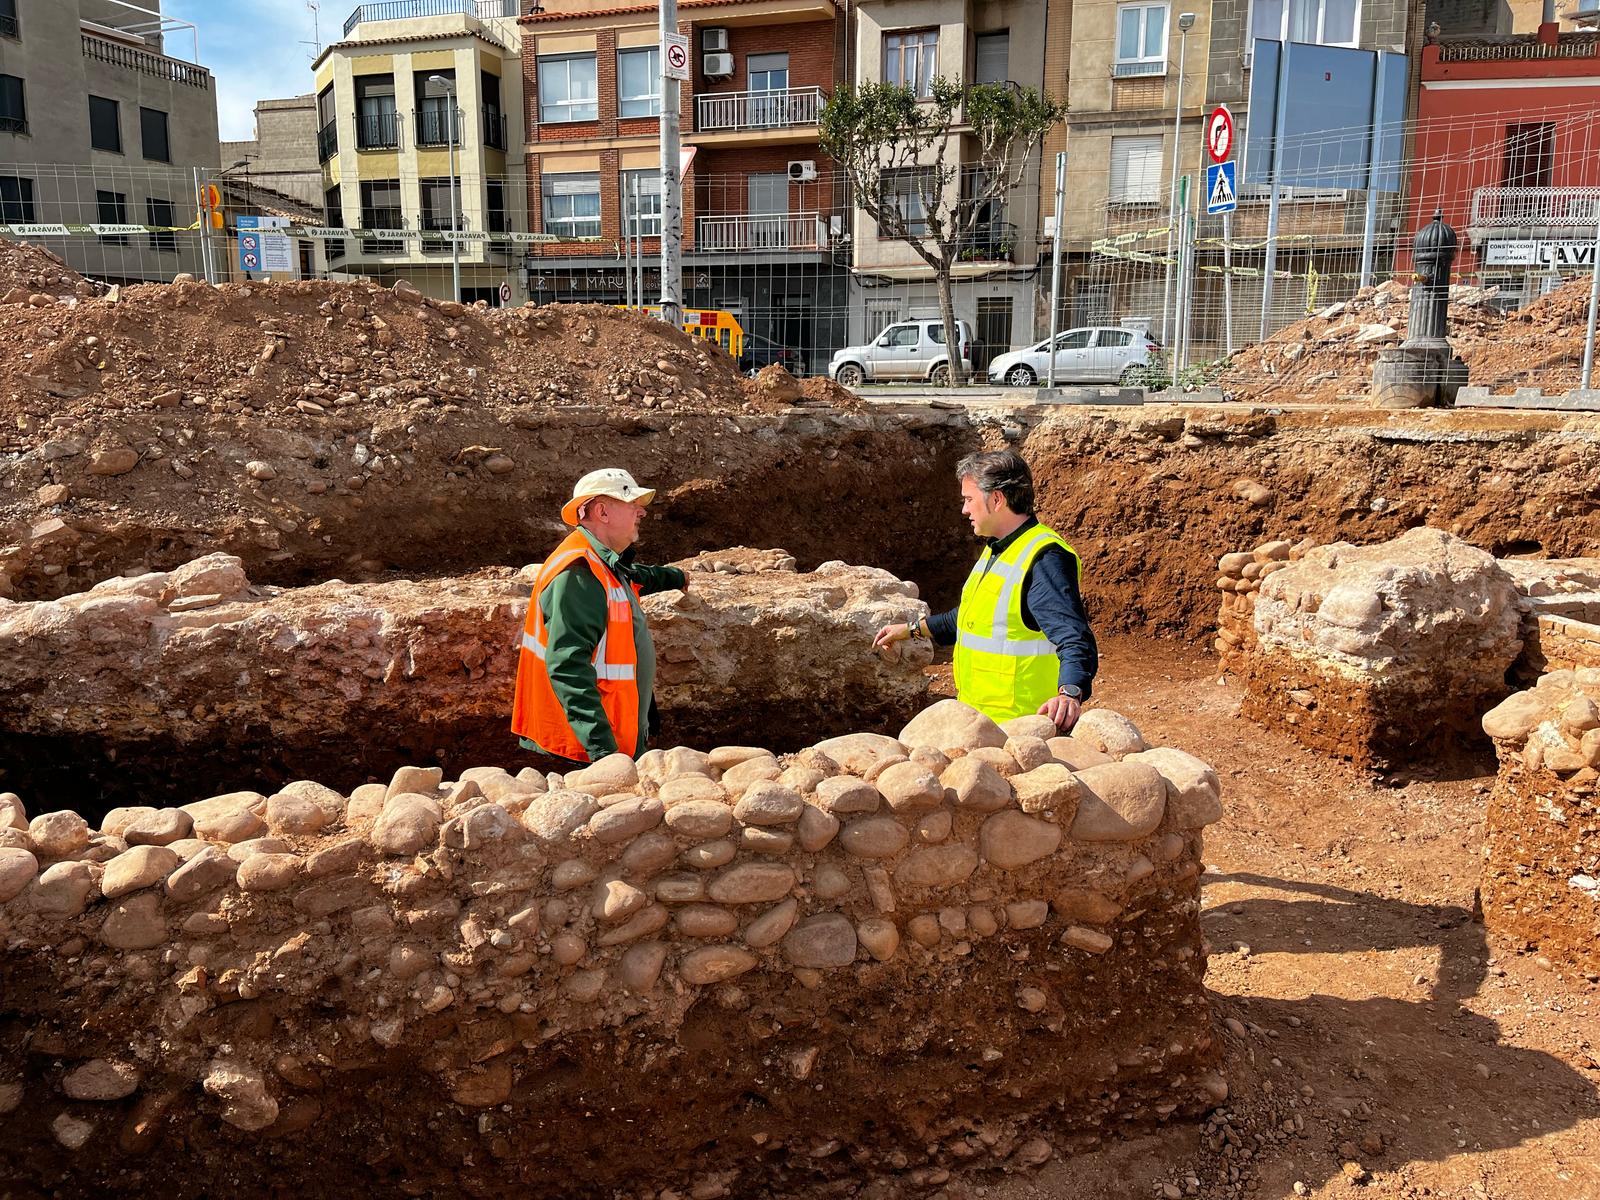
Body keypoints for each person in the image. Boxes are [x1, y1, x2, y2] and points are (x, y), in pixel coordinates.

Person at [872, 449, 1097, 729]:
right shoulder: (998, 548)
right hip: (981, 722)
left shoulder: (1044, 557)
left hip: (1021, 728)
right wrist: (909, 630)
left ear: (997, 499)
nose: (964, 509)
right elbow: (970, 618)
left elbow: (1073, 636)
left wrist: (1070, 693)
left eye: (969, 499)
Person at [512, 468, 688, 764]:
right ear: (602, 512)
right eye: (631, 504)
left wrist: (676, 577)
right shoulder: (578, 574)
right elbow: (568, 666)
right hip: (586, 751)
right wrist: (604, 753)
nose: (641, 512)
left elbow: (633, 577)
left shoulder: (601, 562)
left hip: (612, 736)